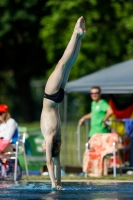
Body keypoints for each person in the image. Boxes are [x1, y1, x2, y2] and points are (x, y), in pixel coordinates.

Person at [40, 16, 86, 190]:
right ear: (48, 147)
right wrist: (53, 184)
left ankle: (79, 36)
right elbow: (50, 164)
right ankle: (75, 33)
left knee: (69, 65)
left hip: (57, 99)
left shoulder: (56, 139)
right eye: (44, 149)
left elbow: (57, 164)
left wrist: (59, 183)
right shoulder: (50, 138)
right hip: (50, 97)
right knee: (62, 63)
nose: (42, 148)